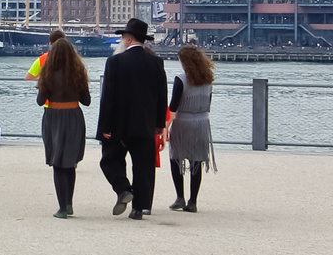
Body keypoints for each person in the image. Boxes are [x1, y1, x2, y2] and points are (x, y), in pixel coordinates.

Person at [95, 18, 168, 220]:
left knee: (109, 160)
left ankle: (123, 189)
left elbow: (107, 97)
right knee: (144, 166)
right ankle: (139, 208)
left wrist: (104, 126)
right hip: (145, 123)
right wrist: (159, 124)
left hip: (118, 124)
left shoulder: (115, 62)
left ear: (128, 39)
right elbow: (162, 95)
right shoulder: (156, 62)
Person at [36, 37, 89, 218]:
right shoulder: (79, 73)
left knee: (58, 162)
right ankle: (69, 204)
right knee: (70, 163)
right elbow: (87, 101)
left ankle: (62, 207)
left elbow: (40, 101)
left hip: (54, 118)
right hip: (74, 116)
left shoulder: (48, 73)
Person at [167, 44, 217, 212]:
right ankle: (193, 201)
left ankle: (179, 197)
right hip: (202, 122)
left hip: (183, 121)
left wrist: (165, 127)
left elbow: (173, 106)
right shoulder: (208, 78)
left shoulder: (180, 79)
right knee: (197, 161)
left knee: (176, 159)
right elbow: (208, 104)